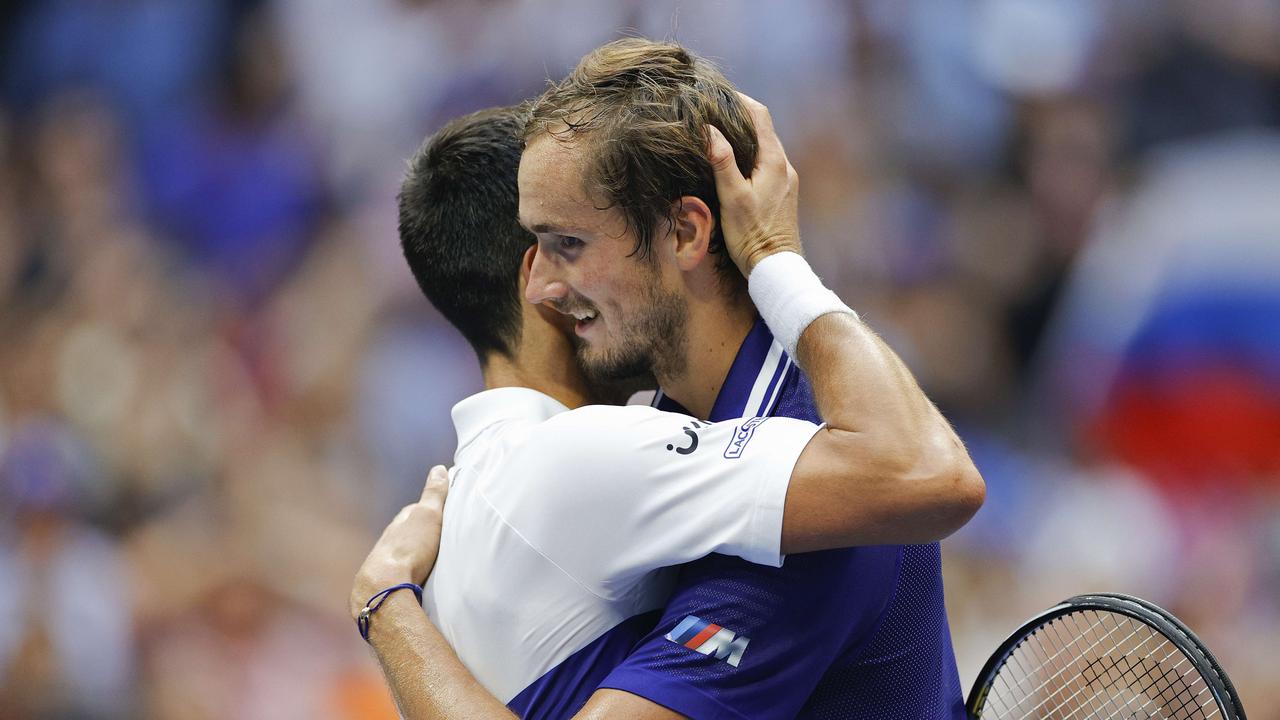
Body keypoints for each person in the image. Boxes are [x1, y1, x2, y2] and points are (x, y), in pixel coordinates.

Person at [352, 39, 981, 719]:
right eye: (534, 248)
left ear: (685, 232)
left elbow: (934, 477)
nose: (544, 285)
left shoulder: (818, 499)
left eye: (569, 244)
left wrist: (386, 606)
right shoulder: (682, 446)